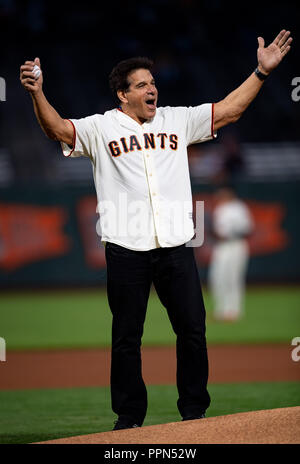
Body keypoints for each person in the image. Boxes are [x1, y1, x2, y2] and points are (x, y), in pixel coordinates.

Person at [20, 30, 292, 430]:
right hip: (126, 247)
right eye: (143, 84)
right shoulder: (100, 128)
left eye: (153, 82)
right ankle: (129, 419)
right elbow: (57, 130)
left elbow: (230, 110)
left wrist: (261, 72)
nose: (153, 89)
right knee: (127, 338)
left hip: (176, 247)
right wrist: (35, 93)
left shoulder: (177, 119)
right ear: (122, 94)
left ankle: (194, 413)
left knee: (193, 331)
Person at [208, 188, 254, 322]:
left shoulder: (239, 208)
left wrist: (230, 234)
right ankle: (221, 311)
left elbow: (248, 228)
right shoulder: (219, 209)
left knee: (233, 278)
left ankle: (234, 311)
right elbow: (216, 230)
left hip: (235, 244)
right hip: (221, 247)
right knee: (217, 278)